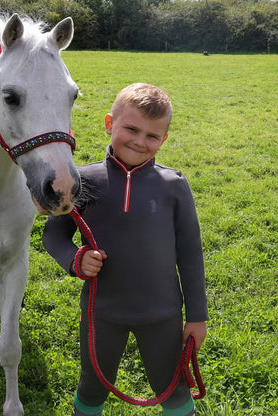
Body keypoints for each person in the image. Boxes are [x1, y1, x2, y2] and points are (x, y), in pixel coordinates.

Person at [42, 83, 208, 416]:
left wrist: (197, 316)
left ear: (163, 141)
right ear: (109, 124)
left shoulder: (174, 186)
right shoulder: (83, 180)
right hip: (101, 313)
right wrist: (75, 260)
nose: (139, 141)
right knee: (92, 385)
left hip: (161, 314)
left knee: (173, 388)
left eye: (152, 136)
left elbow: (190, 256)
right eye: (131, 129)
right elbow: (54, 236)